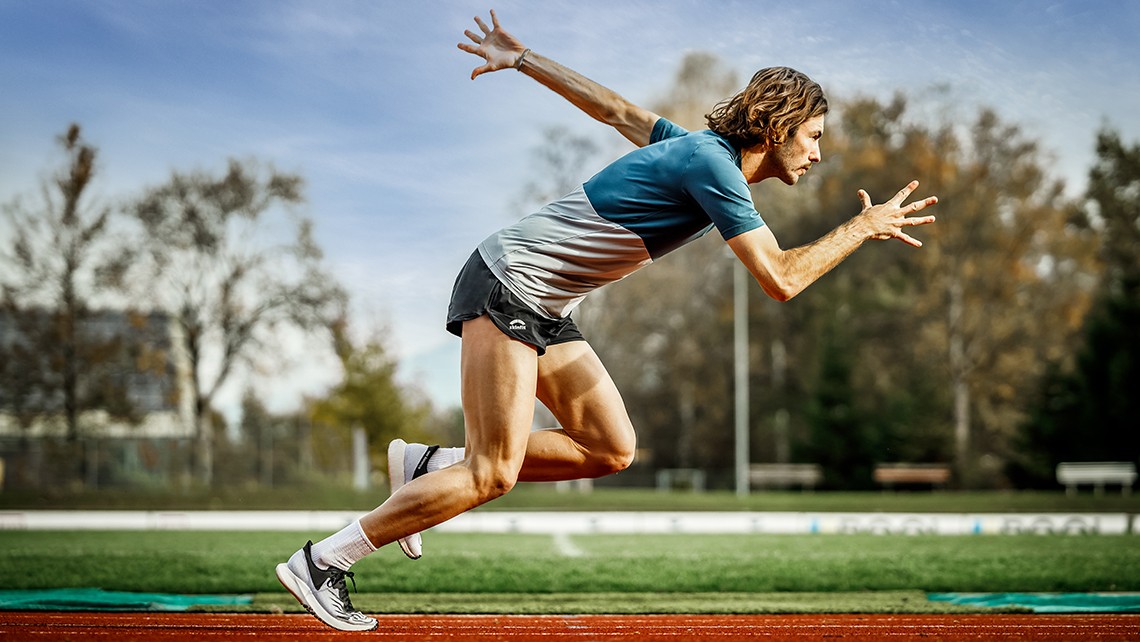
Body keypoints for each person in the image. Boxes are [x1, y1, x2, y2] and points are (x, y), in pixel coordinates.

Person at [276, 10, 938, 631]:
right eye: (814, 136)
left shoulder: (697, 150)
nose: (818, 153)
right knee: (492, 473)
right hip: (509, 285)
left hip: (545, 305)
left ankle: (429, 463)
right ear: (778, 128)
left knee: (609, 447)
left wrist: (524, 58)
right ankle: (323, 561)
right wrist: (862, 226)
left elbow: (615, 110)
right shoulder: (714, 165)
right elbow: (781, 280)